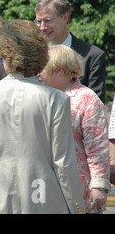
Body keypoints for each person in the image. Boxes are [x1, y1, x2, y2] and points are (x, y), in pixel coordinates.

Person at [0, 19, 84, 214]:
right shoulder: (56, 99)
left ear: (5, 54)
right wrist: (77, 207)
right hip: (42, 196)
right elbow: (64, 163)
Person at [0, 0, 107, 100]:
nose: (42, 27)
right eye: (38, 21)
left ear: (65, 17)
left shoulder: (92, 56)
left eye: (48, 20)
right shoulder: (25, 57)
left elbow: (95, 106)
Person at [38, 45, 110, 213]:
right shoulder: (40, 97)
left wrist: (98, 185)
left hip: (77, 188)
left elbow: (97, 147)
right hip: (43, 188)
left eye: (43, 67)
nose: (38, 73)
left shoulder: (87, 99)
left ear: (60, 70)